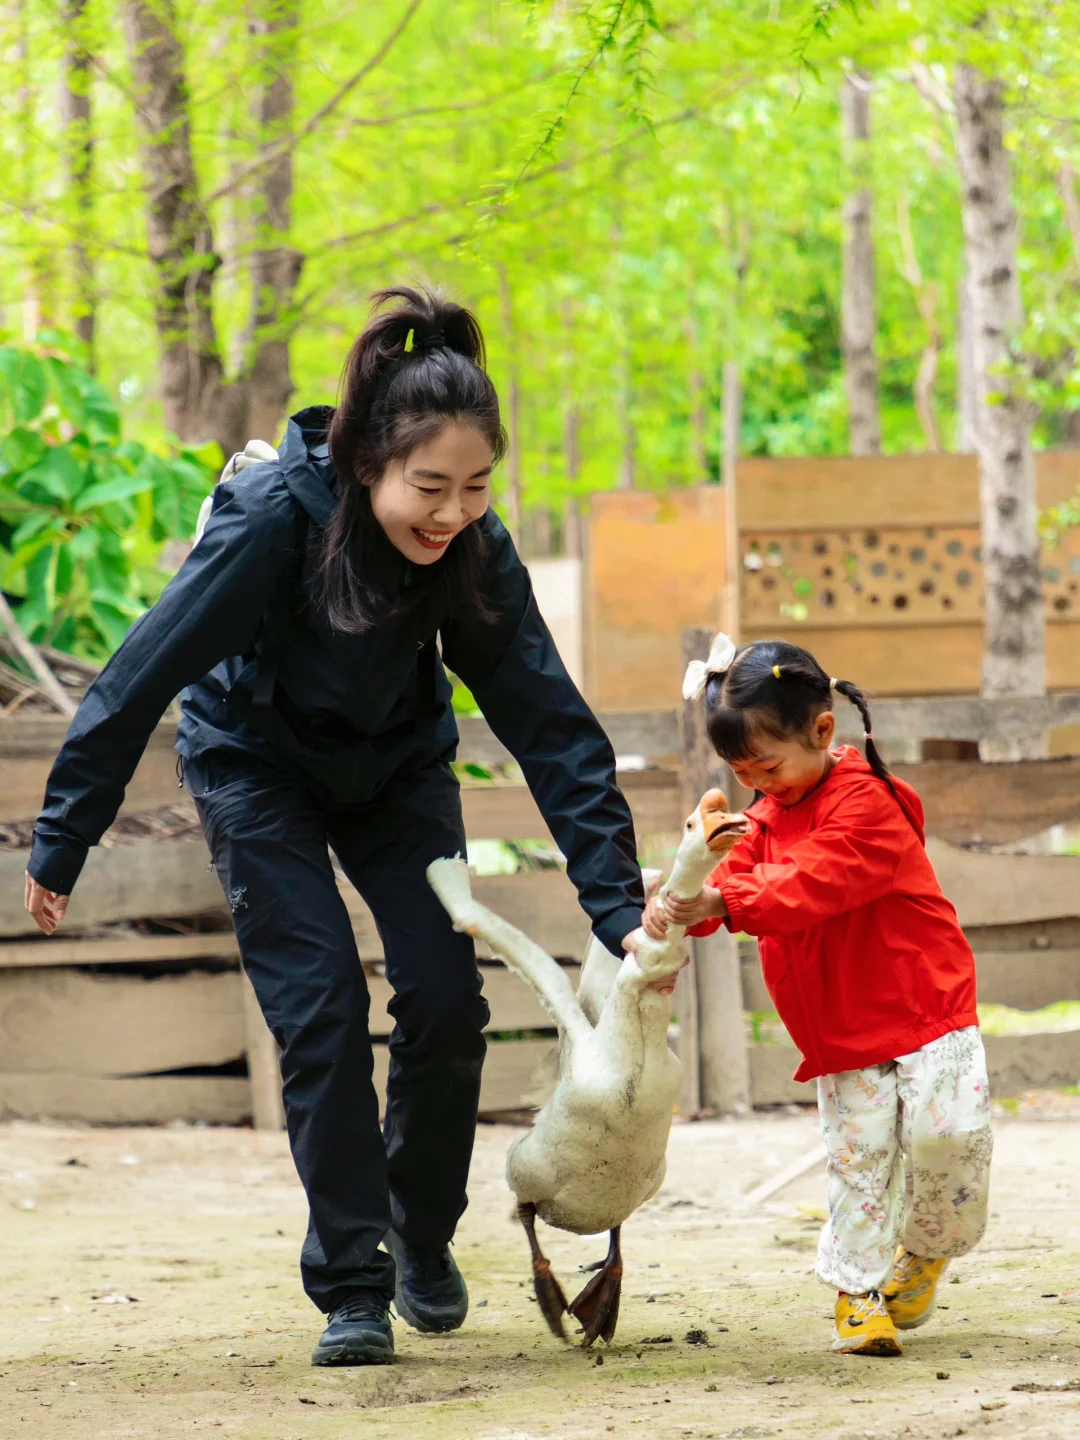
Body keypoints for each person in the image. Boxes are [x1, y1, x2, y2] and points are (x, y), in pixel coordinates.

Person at [24, 286, 645, 1367]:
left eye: (476, 487)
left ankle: (421, 1234)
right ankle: (352, 1280)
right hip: (253, 763)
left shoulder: (473, 551)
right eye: (428, 488)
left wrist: (623, 914)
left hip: (397, 769)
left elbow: (553, 727)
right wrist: (64, 836)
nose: (450, 513)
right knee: (317, 1007)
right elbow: (141, 673)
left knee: (449, 1000)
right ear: (367, 464)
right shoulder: (273, 521)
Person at [644, 634, 992, 1357]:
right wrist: (677, 899)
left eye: (766, 764)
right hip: (840, 1026)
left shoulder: (872, 802)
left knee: (948, 1140)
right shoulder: (762, 819)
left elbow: (817, 880)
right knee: (857, 1156)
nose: (757, 783)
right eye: (741, 771)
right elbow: (721, 883)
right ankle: (857, 1296)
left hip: (927, 1004)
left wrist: (719, 900)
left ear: (823, 730)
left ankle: (925, 1252)